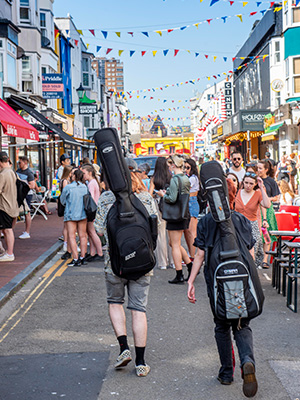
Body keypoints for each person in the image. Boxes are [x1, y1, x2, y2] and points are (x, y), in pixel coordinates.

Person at [188, 179, 258, 398]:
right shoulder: (240, 219)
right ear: (232, 195)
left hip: (216, 280)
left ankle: (226, 373)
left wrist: (191, 281)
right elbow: (251, 254)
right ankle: (247, 361)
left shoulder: (206, 222)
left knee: (221, 324)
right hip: (240, 278)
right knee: (242, 323)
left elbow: (199, 254)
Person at [94, 159, 159, 377]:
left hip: (114, 263)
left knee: (115, 303)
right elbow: (155, 225)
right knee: (138, 309)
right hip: (142, 262)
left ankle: (124, 349)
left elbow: (100, 231)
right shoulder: (145, 197)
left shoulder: (106, 198)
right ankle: (141, 362)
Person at [157, 155, 192, 284]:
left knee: (175, 245)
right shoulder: (185, 178)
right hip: (183, 213)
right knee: (174, 243)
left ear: (173, 165)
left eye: (169, 165)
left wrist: (163, 195)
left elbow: (171, 198)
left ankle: (179, 273)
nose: (168, 167)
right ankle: (189, 265)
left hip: (174, 215)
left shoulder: (175, 179)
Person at [235, 172, 270, 268]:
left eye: (251, 183)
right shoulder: (237, 192)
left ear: (255, 184)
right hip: (237, 225)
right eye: (246, 183)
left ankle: (251, 275)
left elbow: (267, 205)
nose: (248, 186)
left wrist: (261, 187)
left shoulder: (257, 194)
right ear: (243, 182)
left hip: (252, 226)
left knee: (252, 255)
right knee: (238, 253)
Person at [60, 169, 88, 267]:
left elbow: (62, 200)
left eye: (72, 175)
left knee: (71, 236)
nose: (71, 176)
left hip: (71, 214)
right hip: (83, 214)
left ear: (75, 176)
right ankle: (83, 257)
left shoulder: (68, 187)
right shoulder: (85, 187)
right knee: (83, 236)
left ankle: (75, 259)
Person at [149, 157, 173, 270]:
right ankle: (174, 261)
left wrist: (156, 194)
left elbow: (150, 195)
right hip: (170, 205)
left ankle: (163, 262)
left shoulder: (154, 178)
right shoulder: (171, 176)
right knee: (172, 234)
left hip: (159, 206)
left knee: (161, 234)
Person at [257, 159, 280, 268]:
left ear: (266, 170)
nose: (258, 170)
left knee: (266, 235)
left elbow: (277, 197)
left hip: (268, 210)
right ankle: (258, 257)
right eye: (257, 168)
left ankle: (265, 259)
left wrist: (267, 199)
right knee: (257, 235)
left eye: (260, 168)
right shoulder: (254, 180)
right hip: (256, 209)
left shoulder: (271, 181)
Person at [81, 164, 104, 262]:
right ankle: (93, 253)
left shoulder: (91, 183)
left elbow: (90, 198)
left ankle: (99, 253)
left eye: (84, 173)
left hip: (92, 211)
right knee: (90, 233)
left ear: (90, 173)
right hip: (94, 211)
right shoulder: (93, 182)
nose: (83, 175)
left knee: (92, 232)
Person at [0, 152, 19, 261]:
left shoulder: (3, 174)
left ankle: (10, 253)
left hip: (5, 206)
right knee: (6, 230)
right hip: (12, 205)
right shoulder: (12, 172)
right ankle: (7, 252)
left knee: (7, 230)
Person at [183, 158, 200, 263]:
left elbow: (184, 188)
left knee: (192, 231)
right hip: (188, 203)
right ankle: (191, 255)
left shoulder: (193, 178)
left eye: (188, 168)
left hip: (191, 203)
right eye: (184, 167)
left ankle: (192, 256)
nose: (186, 170)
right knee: (188, 231)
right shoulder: (189, 177)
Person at [16, 156, 35, 239]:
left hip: (27, 194)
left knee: (27, 212)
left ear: (25, 163)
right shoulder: (18, 171)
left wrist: (23, 186)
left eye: (20, 162)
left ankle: (27, 232)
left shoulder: (29, 173)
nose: (18, 164)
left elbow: (32, 185)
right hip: (19, 194)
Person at [59, 165, 73, 260]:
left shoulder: (67, 180)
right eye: (71, 172)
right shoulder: (65, 181)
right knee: (66, 225)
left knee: (67, 226)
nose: (72, 174)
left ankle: (67, 243)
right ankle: (65, 243)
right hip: (65, 205)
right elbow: (65, 193)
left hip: (67, 204)